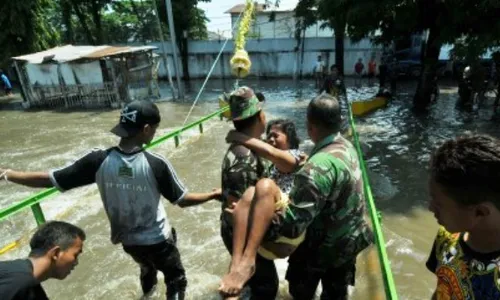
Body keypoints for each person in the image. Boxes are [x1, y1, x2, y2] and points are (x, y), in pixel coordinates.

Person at [0, 100, 221, 300]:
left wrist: (9, 174)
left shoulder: (98, 160)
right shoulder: (156, 164)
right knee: (176, 279)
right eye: (154, 129)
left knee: (146, 268)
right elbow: (182, 199)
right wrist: (212, 195)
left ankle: (147, 294)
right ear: (146, 130)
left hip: (129, 243)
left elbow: (51, 179)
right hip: (158, 241)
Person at [220, 93, 374, 299]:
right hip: (348, 243)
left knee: (300, 293)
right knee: (335, 294)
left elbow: (292, 226)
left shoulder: (316, 167)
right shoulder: (346, 148)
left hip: (320, 248)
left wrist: (251, 221)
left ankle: (244, 262)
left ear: (310, 126)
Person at [219, 119, 306, 297]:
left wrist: (240, 137)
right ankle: (236, 266)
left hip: (285, 221)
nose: (271, 139)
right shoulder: (271, 166)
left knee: (264, 186)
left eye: (276, 135)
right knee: (250, 191)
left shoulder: (296, 157)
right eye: (268, 136)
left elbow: (270, 152)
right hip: (267, 228)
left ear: (290, 140)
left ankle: (248, 260)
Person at [219, 86, 280, 300]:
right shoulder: (245, 157)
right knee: (265, 287)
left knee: (258, 284)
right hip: (241, 232)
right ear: (260, 116)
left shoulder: (243, 148)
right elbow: (239, 209)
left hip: (235, 229)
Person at [427, 134, 500, 299]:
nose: (430, 208)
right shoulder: (446, 237)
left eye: (439, 204)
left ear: (480, 212)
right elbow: (441, 289)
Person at [0, 221, 85, 300]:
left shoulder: (29, 285)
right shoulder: (20, 283)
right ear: (56, 253)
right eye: (75, 255)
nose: (76, 262)